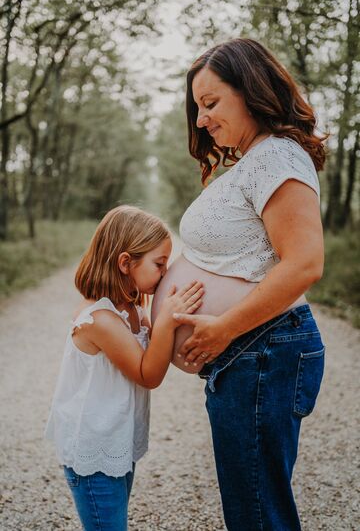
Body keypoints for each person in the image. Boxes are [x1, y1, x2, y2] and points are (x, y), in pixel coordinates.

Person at [151, 38, 326, 530]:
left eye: (211, 103)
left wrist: (224, 328)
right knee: (253, 506)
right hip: (253, 355)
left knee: (257, 514)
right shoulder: (255, 160)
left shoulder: (276, 157)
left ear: (251, 91)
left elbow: (305, 264)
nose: (201, 119)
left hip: (261, 350)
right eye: (197, 107)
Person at [45, 205, 203, 531]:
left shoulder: (131, 309)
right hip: (94, 452)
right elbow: (149, 374)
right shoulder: (100, 319)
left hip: (117, 441)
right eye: (159, 264)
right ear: (125, 263)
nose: (165, 273)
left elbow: (161, 353)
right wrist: (168, 322)